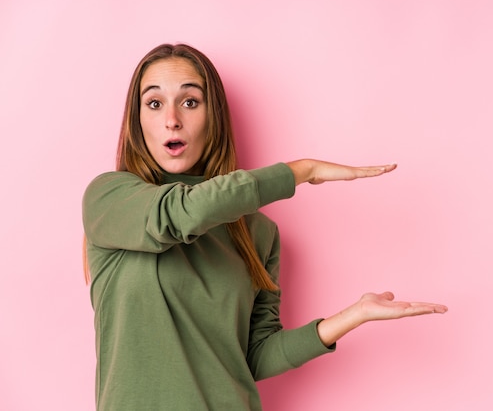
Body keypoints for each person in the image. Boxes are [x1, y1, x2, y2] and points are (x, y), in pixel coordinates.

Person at [82, 43, 447, 411]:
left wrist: (353, 316)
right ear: (137, 119)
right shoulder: (110, 200)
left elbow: (253, 355)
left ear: (214, 117)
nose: (172, 119)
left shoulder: (258, 232)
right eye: (155, 103)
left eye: (190, 102)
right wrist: (300, 171)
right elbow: (181, 214)